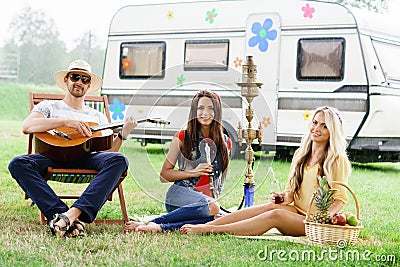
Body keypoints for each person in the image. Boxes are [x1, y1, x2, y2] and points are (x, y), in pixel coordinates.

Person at [8, 59, 137, 238]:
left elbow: (108, 154)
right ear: (66, 80)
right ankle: (59, 213)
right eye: (75, 77)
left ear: (89, 85)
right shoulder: (48, 106)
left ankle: (71, 215)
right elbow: (27, 126)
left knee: (120, 160)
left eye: (85, 79)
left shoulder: (97, 116)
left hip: (86, 158)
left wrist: (123, 134)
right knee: (18, 163)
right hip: (52, 156)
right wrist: (65, 121)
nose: (79, 82)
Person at [180, 106, 351, 236]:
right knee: (271, 206)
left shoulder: (336, 160)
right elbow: (292, 192)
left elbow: (341, 198)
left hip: (313, 222)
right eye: (315, 123)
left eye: (324, 126)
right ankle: (214, 222)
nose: (317, 129)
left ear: (332, 131)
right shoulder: (301, 154)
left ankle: (211, 230)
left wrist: (324, 217)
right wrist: (284, 197)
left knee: (275, 214)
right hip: (297, 211)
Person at [124, 90, 231, 233]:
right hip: (179, 196)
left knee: (218, 219)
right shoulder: (181, 137)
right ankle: (151, 222)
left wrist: (213, 202)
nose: (205, 112)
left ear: (217, 111)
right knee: (214, 208)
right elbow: (164, 175)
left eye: (210, 108)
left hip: (207, 205)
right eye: (200, 108)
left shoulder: (226, 142)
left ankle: (160, 227)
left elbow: (219, 181)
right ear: (194, 111)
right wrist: (193, 172)